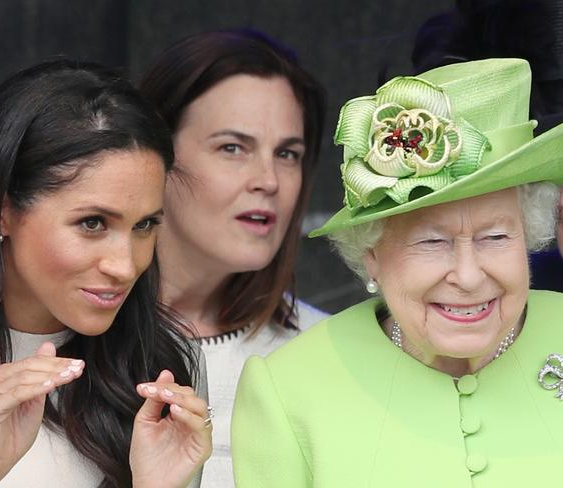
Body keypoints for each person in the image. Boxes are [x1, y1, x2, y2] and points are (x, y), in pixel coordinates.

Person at [232, 58, 563, 487]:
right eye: (432, 242)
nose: (468, 276)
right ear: (370, 252)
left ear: (529, 235)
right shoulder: (287, 390)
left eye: (495, 237)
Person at [0, 60, 211, 488]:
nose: (125, 266)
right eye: (92, 223)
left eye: (145, 224)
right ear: (2, 210)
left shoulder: (161, 362)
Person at [138, 30, 327, 486]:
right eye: (232, 147)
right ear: (155, 155)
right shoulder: (62, 338)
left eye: (287, 153)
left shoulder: (327, 353)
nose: (269, 180)